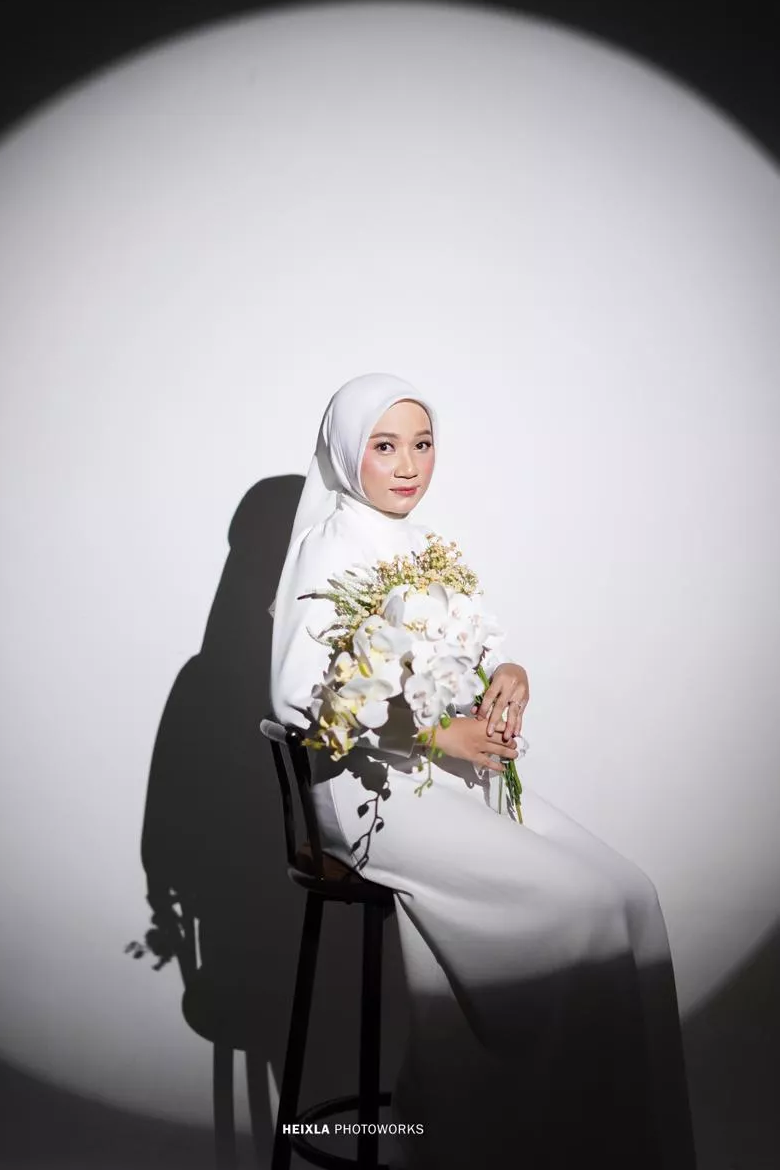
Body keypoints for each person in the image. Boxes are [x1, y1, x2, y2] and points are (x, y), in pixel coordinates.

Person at [269, 372, 696, 1169]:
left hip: (447, 779)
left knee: (631, 895)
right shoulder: (329, 545)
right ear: (348, 452)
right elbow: (297, 697)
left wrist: (508, 673)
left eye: (422, 444)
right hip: (369, 796)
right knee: (578, 907)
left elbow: (460, 656)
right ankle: (506, 1134)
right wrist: (435, 735)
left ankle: (617, 1146)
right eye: (385, 446)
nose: (408, 465)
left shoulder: (425, 542)